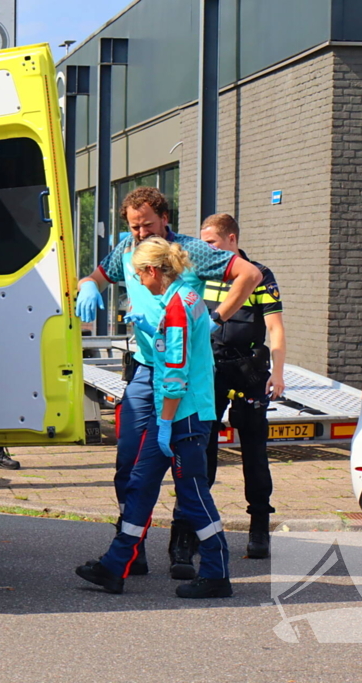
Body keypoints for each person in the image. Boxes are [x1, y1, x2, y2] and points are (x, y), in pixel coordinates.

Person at [75, 187, 261, 580]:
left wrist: (219, 317)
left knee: (190, 485)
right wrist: (88, 284)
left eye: (146, 226)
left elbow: (250, 275)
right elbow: (96, 275)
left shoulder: (181, 295)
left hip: (178, 392)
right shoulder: (129, 249)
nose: (139, 234)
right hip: (151, 372)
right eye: (133, 227)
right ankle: (121, 558)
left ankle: (204, 561)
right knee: (136, 472)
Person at [199, 214, 285, 559]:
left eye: (211, 243)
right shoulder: (202, 274)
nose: (205, 249)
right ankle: (198, 527)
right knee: (202, 448)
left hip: (248, 370)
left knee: (254, 450)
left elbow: (275, 329)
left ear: (231, 239)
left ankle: (259, 528)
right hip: (210, 370)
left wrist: (276, 374)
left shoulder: (259, 275)